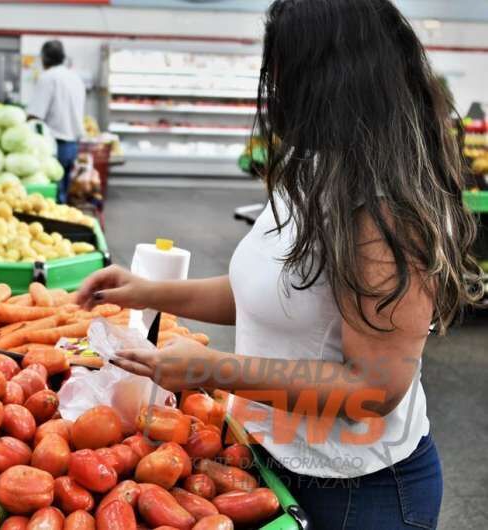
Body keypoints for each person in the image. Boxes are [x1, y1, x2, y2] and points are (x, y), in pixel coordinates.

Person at [76, 1, 483, 528]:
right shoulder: (311, 165)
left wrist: (212, 369)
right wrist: (146, 291)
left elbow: (374, 388)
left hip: (358, 492)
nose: (273, 87)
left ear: (328, 77)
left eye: (282, 68)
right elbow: (272, 294)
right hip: (270, 462)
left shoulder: (387, 210)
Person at [27, 40, 86, 204]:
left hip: (54, 145)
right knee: (63, 194)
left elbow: (36, 114)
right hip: (73, 144)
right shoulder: (75, 78)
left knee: (52, 198)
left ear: (44, 58)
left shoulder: (48, 78)